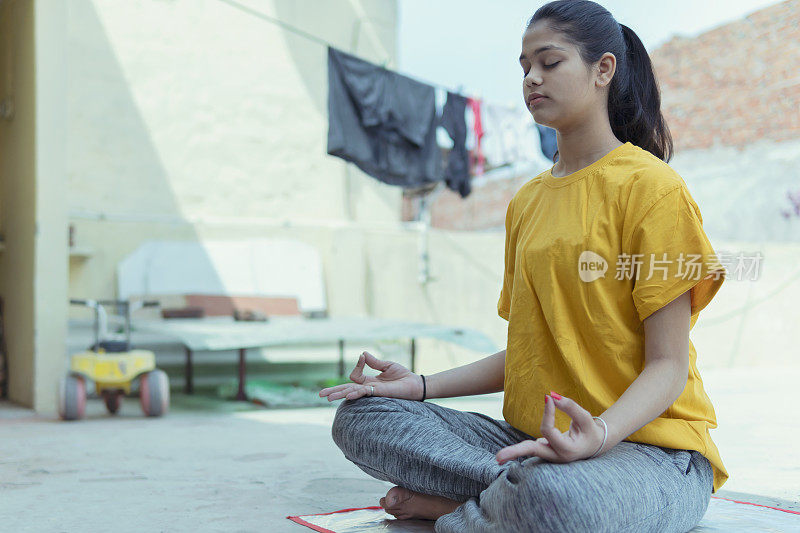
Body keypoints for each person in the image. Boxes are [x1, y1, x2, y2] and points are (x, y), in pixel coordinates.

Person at [319, 1, 728, 531]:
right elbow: (529, 352)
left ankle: (471, 508)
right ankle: (511, 498)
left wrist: (597, 436)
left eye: (549, 63)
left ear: (604, 69)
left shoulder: (653, 190)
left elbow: (669, 367)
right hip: (536, 445)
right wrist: (419, 385)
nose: (532, 78)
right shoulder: (527, 201)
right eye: (524, 67)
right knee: (362, 419)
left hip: (649, 453)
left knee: (560, 499)